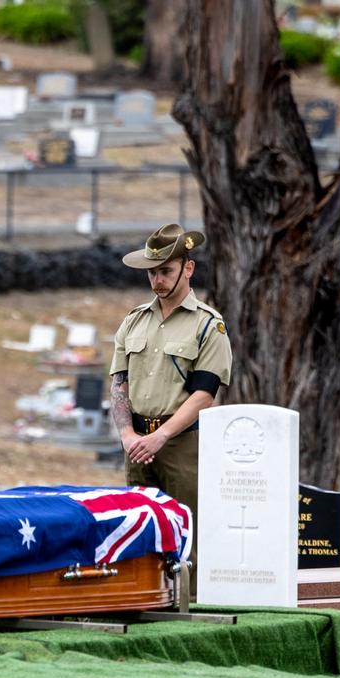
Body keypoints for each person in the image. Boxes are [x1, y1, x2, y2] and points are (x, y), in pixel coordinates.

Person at [110, 223, 233, 530]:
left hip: (181, 445)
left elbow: (204, 395)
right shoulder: (134, 321)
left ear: (188, 268)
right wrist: (127, 435)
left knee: (186, 538)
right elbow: (118, 384)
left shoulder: (207, 325)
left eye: (165, 271)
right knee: (138, 538)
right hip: (137, 444)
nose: (158, 280)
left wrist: (161, 436)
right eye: (152, 273)